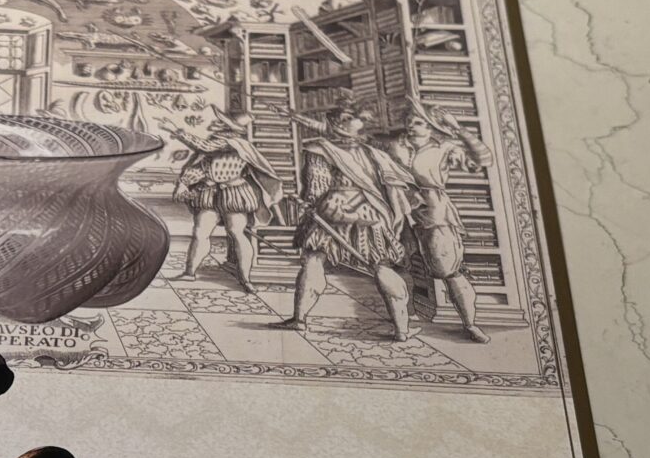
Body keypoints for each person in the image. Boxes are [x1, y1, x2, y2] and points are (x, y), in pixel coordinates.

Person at [269, 107, 415, 340]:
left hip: (332, 210)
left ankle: (300, 319)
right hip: (369, 212)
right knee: (380, 265)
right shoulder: (373, 153)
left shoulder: (320, 149)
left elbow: (316, 187)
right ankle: (401, 329)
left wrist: (310, 204)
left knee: (313, 261)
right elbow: (390, 188)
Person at [391, 107, 488, 342]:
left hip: (434, 213)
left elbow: (482, 161)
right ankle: (403, 323)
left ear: (431, 127)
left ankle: (470, 324)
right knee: (397, 264)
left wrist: (459, 130)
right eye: (409, 120)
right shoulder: (395, 146)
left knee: (449, 270)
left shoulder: (445, 148)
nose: (411, 125)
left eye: (418, 122)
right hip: (398, 211)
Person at [170, 130, 282, 295]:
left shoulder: (238, 145)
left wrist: (177, 131)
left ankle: (245, 279)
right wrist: (183, 184)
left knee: (236, 233)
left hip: (234, 194)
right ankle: (189, 273)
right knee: (200, 233)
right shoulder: (213, 149)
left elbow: (206, 146)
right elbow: (200, 167)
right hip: (209, 194)